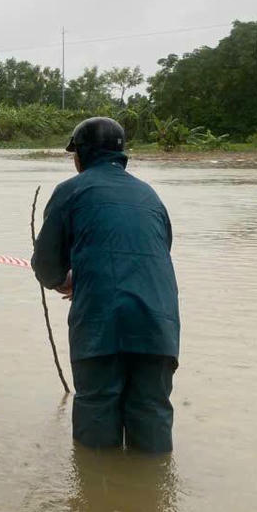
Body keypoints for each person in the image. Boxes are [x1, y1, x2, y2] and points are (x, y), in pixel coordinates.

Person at [32, 117, 180, 453]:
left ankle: (99, 500)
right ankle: (150, 498)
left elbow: (45, 265)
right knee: (152, 416)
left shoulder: (70, 191)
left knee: (96, 421)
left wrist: (63, 281)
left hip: (101, 325)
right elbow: (159, 250)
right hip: (159, 326)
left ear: (80, 155)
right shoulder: (150, 196)